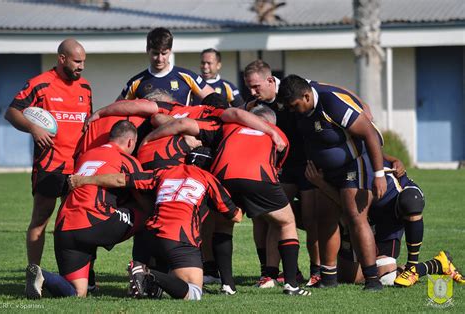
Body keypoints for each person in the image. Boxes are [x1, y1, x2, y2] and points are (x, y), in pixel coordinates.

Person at [146, 106, 311, 297]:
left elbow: (183, 123)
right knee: (286, 222)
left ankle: (228, 286)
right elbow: (275, 166)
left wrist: (149, 138)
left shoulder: (228, 126)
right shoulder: (279, 134)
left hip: (224, 176)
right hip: (259, 176)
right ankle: (291, 284)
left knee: (223, 225)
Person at [69, 147, 243, 300]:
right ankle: (149, 274)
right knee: (194, 292)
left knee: (152, 294)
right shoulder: (208, 178)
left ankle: (146, 275)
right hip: (178, 238)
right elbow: (235, 216)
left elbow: (121, 180)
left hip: (148, 236)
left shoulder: (164, 171)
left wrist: (83, 180)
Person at [278, 74, 387, 291]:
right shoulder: (306, 92)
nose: (292, 110)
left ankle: (372, 278)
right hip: (324, 169)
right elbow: (330, 84)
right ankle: (328, 277)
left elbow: (370, 135)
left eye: (294, 105)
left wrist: (379, 173)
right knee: (324, 218)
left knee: (355, 216)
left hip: (352, 165)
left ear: (307, 97)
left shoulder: (331, 103)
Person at [4, 38, 93, 298]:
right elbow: (11, 112)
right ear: (62, 58)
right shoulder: (40, 83)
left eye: (84, 61)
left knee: (76, 224)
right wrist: (33, 128)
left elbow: (86, 122)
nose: (81, 67)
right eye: (77, 61)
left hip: (77, 167)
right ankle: (33, 274)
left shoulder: (85, 87)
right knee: (41, 219)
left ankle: (82, 277)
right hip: (49, 165)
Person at [24, 120, 149, 298]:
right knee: (149, 213)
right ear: (130, 142)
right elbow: (142, 197)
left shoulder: (86, 155)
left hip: (64, 227)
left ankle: (43, 276)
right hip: (95, 223)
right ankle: (145, 271)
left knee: (76, 292)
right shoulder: (128, 160)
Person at [304, 159, 465, 287]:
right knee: (349, 278)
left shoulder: (353, 135)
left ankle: (421, 266)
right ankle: (436, 264)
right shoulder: (332, 149)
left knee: (387, 278)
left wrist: (322, 185)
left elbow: (371, 140)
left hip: (386, 215)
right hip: (363, 215)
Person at [243, 60, 316, 287]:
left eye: (256, 87)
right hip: (280, 170)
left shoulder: (292, 92)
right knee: (268, 216)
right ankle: (270, 271)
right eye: (249, 88)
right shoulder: (253, 107)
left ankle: (317, 271)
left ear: (270, 80)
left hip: (307, 167)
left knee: (312, 219)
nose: (253, 92)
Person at [117, 27, 214, 105]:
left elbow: (216, 100)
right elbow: (116, 109)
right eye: (155, 53)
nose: (159, 59)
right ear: (147, 50)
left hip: (180, 128)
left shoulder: (187, 76)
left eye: (164, 53)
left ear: (170, 51)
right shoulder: (136, 82)